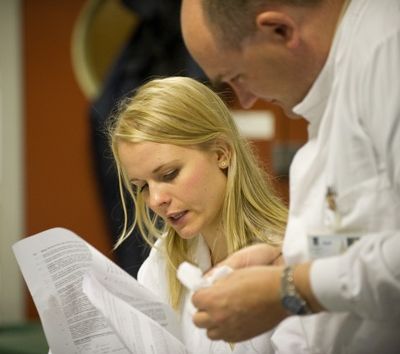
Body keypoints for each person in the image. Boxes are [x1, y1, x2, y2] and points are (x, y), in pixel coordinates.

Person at [180, 0, 400, 353]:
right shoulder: (334, 82)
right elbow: (375, 230)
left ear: (280, 30)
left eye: (237, 76)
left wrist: (286, 289)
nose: (247, 100)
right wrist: (287, 258)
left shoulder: (388, 52)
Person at [109, 76, 288, 353]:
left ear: (221, 153)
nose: (156, 200)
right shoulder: (163, 262)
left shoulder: (289, 255)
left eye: (169, 174)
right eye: (142, 186)